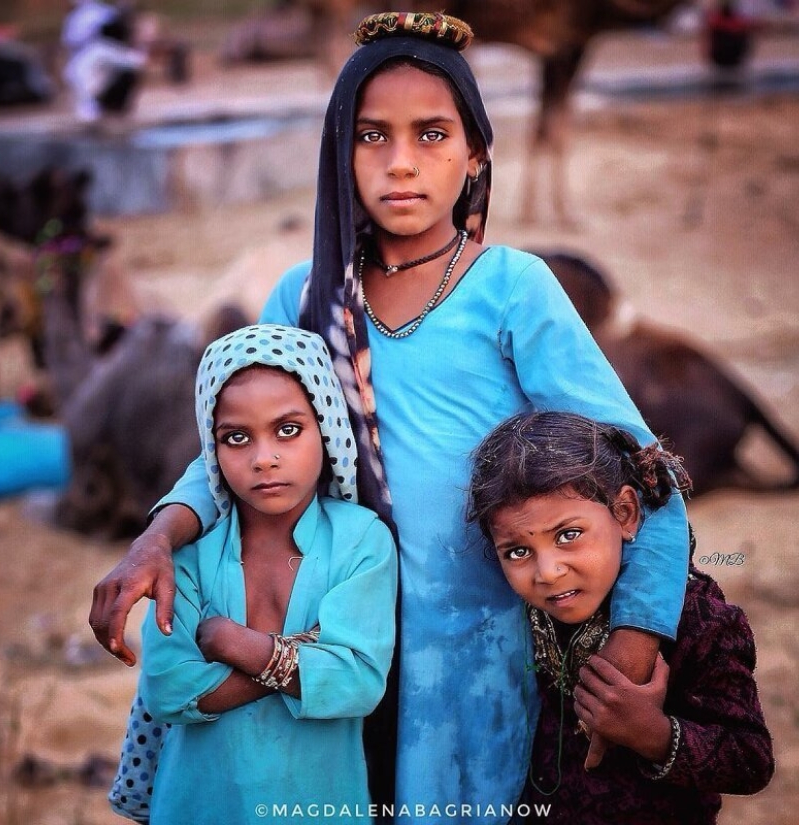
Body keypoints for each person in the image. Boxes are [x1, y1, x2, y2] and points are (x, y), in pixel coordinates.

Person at [90, 12, 691, 820]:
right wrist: (158, 535)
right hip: (322, 660)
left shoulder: (511, 289)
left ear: (476, 153)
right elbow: (235, 451)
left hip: (477, 672)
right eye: (371, 136)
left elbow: (643, 472)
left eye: (432, 134)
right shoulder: (304, 300)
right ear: (339, 153)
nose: (401, 162)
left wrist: (630, 651)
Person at [111, 323, 397, 823]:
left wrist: (231, 643)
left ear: (327, 427)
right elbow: (168, 690)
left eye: (288, 430)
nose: (264, 459)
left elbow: (359, 683)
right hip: (198, 806)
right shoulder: (190, 551)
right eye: (236, 437)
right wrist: (301, 658)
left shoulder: (361, 540)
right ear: (212, 448)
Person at [467, 410, 774, 823]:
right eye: (518, 551)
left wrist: (652, 734)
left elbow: (750, 760)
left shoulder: (699, 621)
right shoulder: (523, 616)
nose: (548, 572)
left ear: (626, 513)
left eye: (568, 535)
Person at [61, 0, 146, 124]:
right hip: (89, 93)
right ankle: (112, 108)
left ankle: (103, 106)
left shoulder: (95, 46)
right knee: (128, 73)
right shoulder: (104, 48)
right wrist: (142, 47)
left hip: (81, 88)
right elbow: (137, 63)